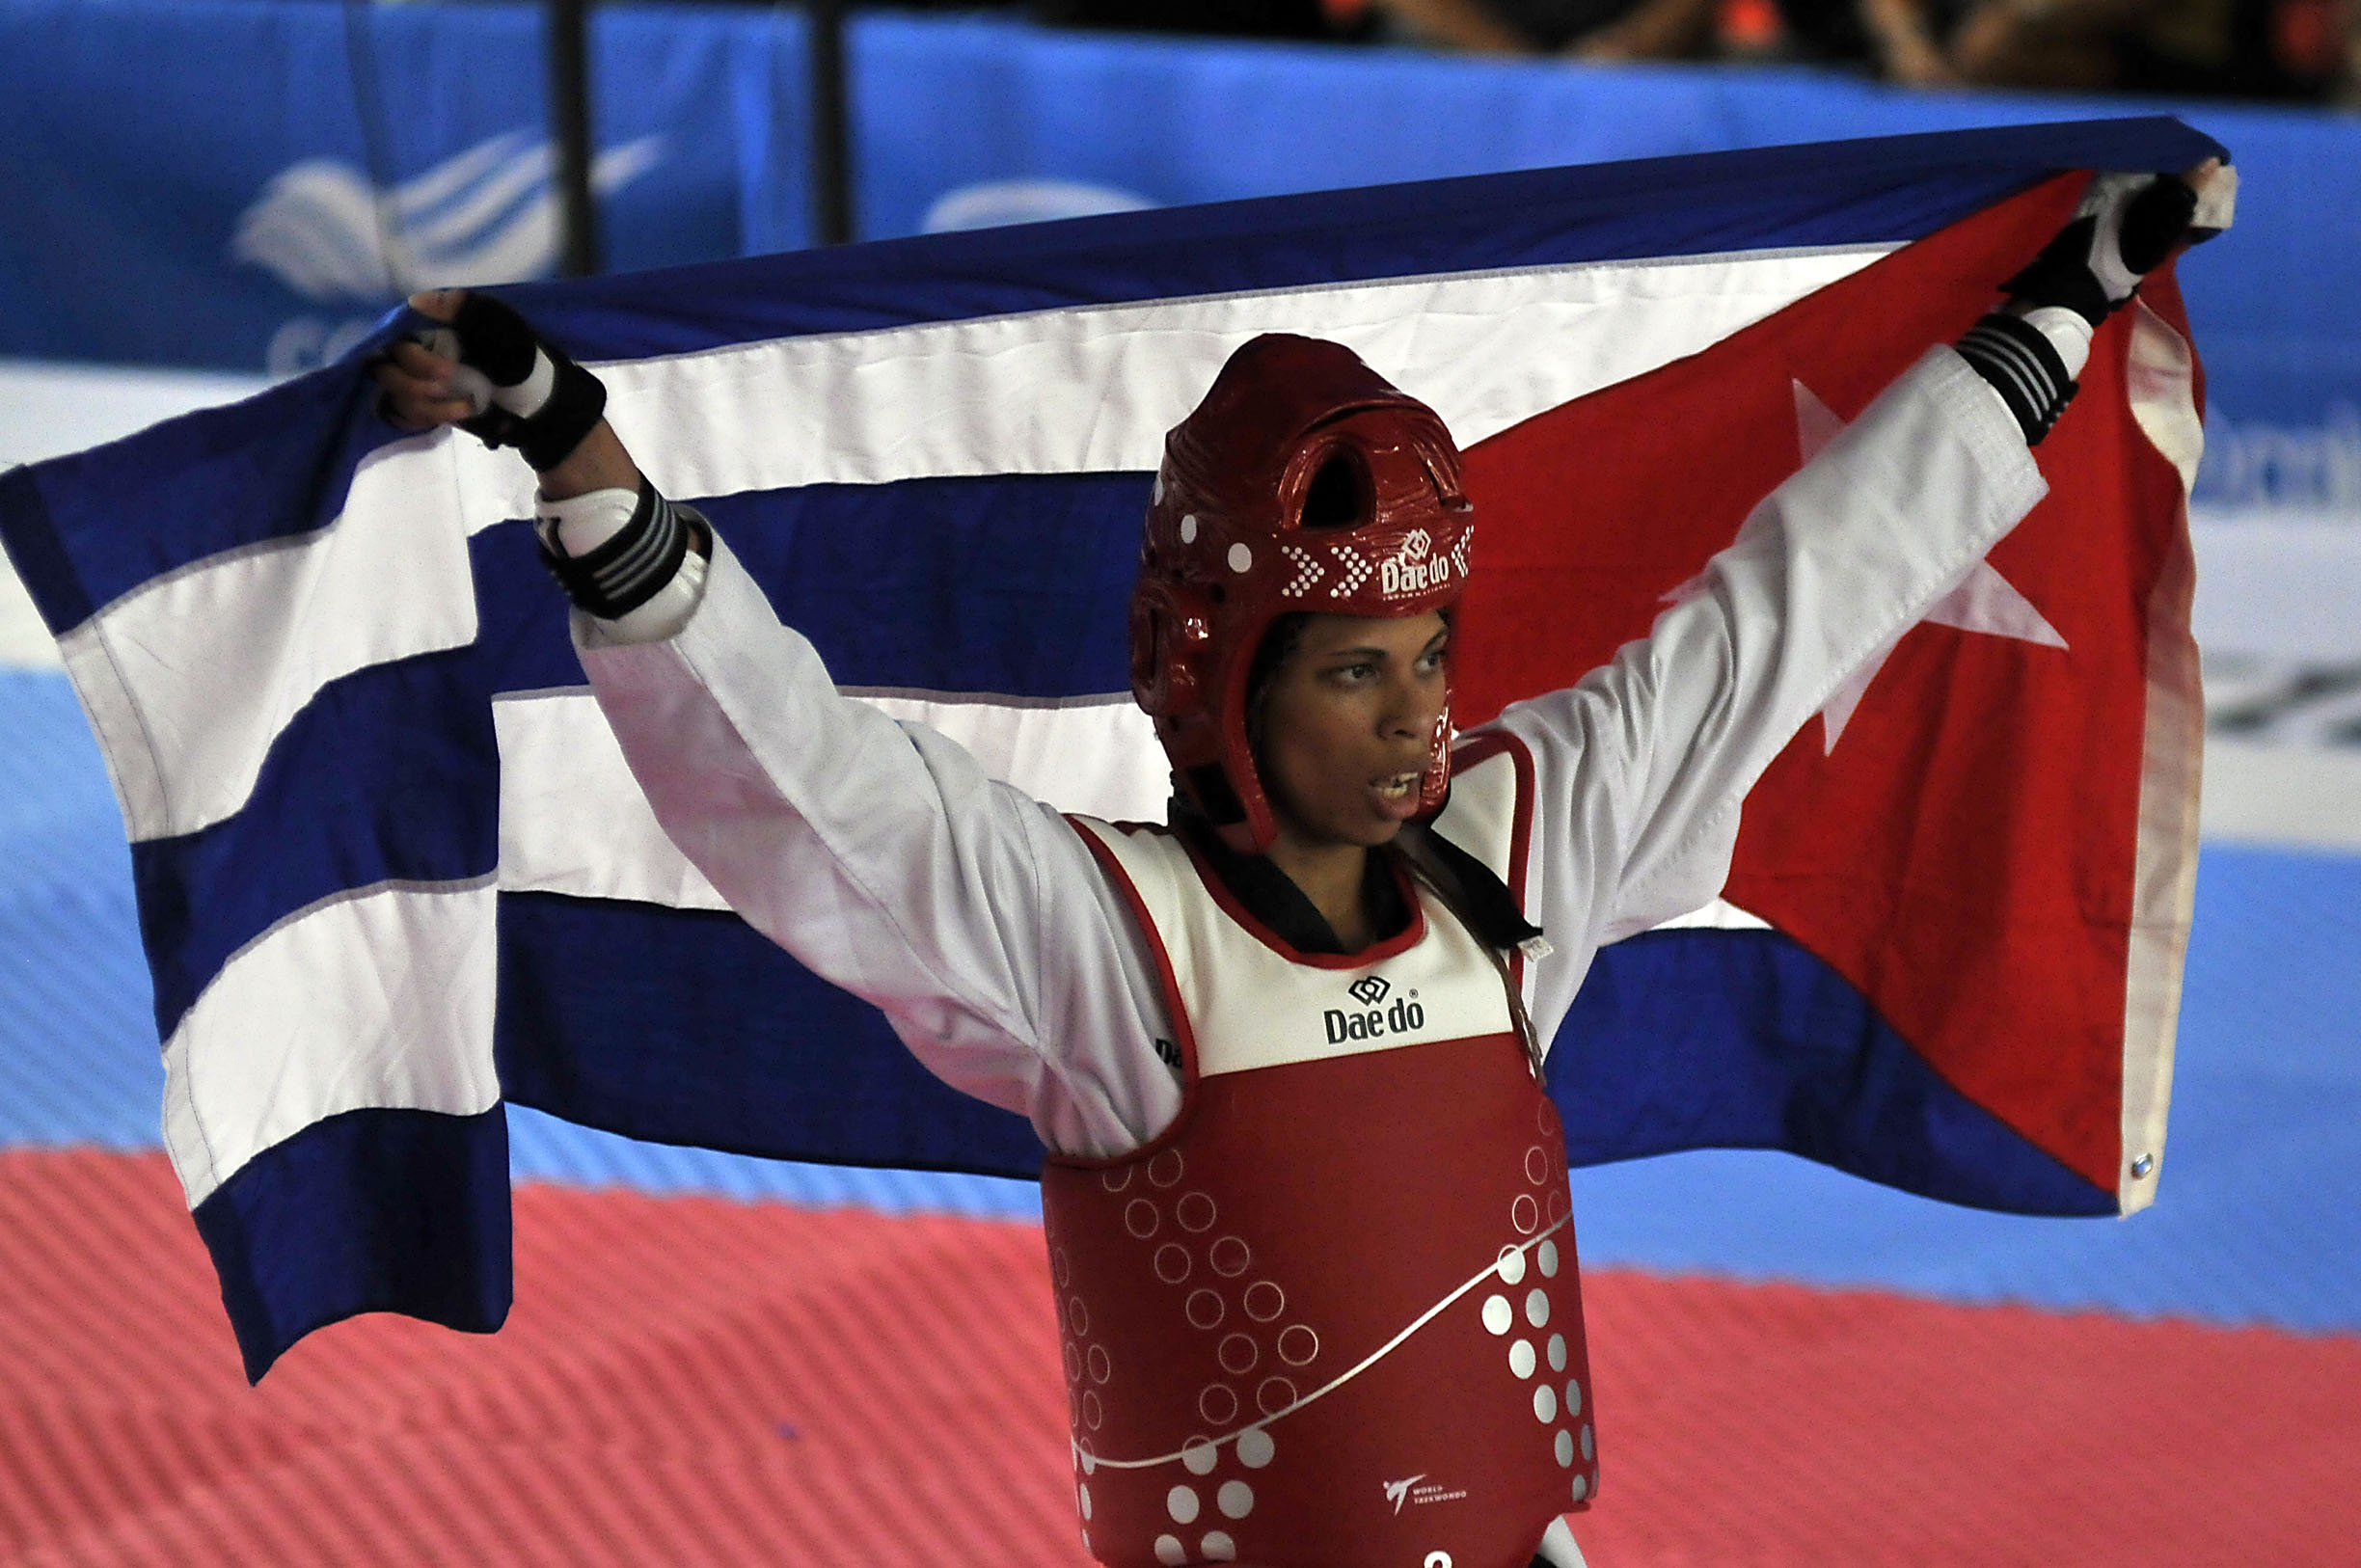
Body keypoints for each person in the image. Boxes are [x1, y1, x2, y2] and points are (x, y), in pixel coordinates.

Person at [374, 165, 2212, 1568]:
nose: (1419, 717)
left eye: (1429, 658)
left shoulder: (1514, 860)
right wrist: (577, 453)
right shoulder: (1110, 951)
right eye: (1356, 671)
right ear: (1217, 683)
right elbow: (805, 784)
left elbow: (1799, 596)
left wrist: (2062, 303)